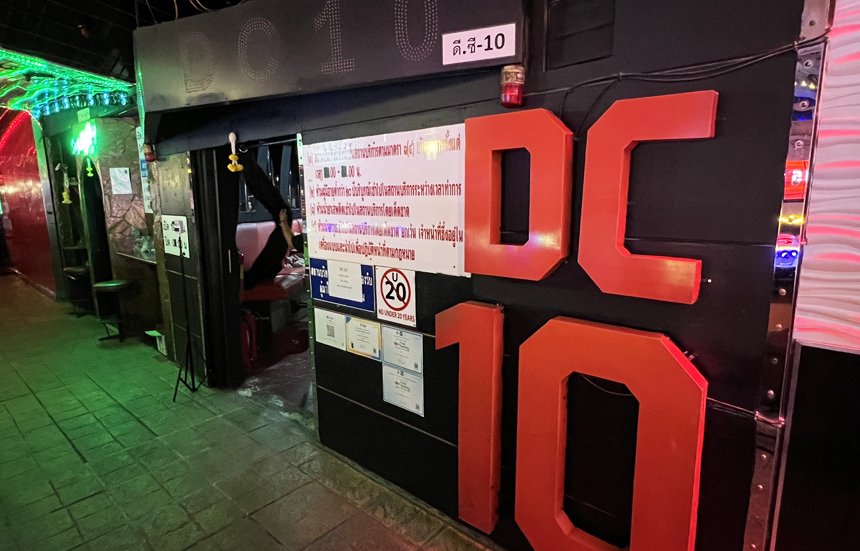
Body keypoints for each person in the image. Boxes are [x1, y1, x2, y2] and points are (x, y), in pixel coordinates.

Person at [237, 149, 296, 290]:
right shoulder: (257, 274)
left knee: (281, 210)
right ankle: (246, 160)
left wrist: (283, 221)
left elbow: (292, 242)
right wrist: (283, 222)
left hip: (260, 274)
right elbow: (292, 242)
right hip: (262, 273)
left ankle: (246, 160)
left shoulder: (255, 275)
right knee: (282, 210)